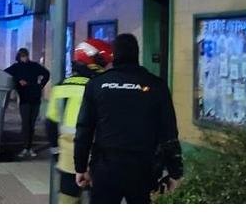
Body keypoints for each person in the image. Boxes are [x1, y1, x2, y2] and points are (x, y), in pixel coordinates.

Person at [73, 33, 182, 204]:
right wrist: (175, 172)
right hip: (143, 168)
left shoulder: (96, 85)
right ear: (136, 54)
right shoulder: (157, 85)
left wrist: (80, 167)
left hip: (105, 168)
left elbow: (84, 129)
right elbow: (168, 131)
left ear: (114, 56)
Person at [46, 38, 114, 204]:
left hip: (68, 156)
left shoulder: (60, 86)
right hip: (97, 155)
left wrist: (56, 152)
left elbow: (51, 123)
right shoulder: (100, 87)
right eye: (104, 62)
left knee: (68, 199)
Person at [5, 47, 51, 158]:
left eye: (25, 56)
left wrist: (41, 85)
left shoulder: (34, 66)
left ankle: (28, 147)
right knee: (26, 124)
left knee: (31, 124)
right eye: (22, 56)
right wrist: (17, 81)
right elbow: (5, 74)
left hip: (34, 97)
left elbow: (46, 73)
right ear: (19, 57)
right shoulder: (16, 67)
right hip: (25, 98)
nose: (24, 58)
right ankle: (26, 147)